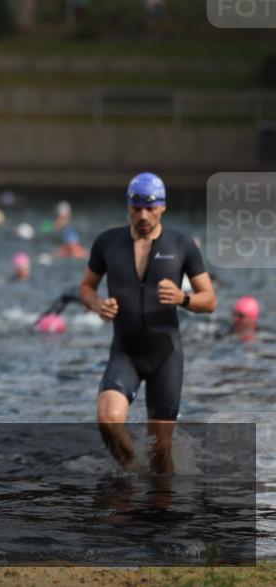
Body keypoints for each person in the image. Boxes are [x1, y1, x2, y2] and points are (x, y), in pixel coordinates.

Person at [79, 172, 215, 474]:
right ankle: (134, 475)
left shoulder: (182, 245)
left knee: (161, 454)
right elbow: (86, 287)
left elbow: (210, 300)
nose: (143, 216)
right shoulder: (107, 242)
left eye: (150, 208)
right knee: (108, 420)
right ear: (128, 206)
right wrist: (97, 304)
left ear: (163, 207)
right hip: (125, 351)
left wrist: (183, 298)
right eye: (136, 208)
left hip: (165, 354)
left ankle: (159, 506)